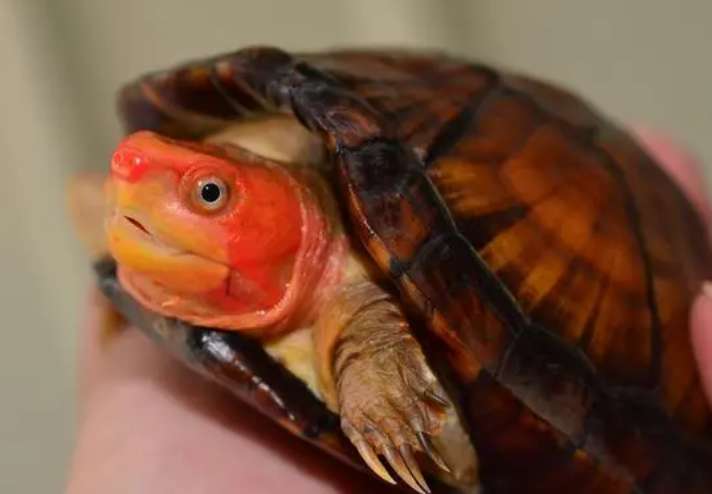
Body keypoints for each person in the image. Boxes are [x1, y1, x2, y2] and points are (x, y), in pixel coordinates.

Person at [65, 131, 712, 494]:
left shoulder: (355, 302)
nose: (132, 202)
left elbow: (457, 459)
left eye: (209, 194)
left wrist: (380, 383)